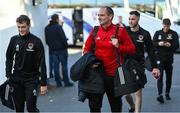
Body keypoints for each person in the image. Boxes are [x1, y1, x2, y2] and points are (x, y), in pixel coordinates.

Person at [83, 6, 136, 112]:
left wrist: (118, 47)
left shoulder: (120, 31)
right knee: (94, 106)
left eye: (102, 15)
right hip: (97, 75)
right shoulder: (95, 30)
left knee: (115, 106)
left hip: (115, 75)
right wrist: (90, 62)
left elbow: (132, 49)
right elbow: (86, 49)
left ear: (110, 16)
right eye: (98, 15)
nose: (99, 17)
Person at [5, 15, 48, 112]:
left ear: (29, 26)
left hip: (31, 80)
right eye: (19, 27)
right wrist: (8, 75)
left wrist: (43, 83)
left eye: (23, 27)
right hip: (16, 79)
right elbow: (9, 58)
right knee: (19, 109)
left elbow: (42, 63)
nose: (20, 29)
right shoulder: (14, 40)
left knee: (31, 108)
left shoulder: (36, 41)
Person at [124, 11, 160, 113]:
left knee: (137, 93)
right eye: (129, 19)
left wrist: (155, 67)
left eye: (133, 19)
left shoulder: (145, 34)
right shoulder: (124, 31)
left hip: (138, 66)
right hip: (122, 66)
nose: (130, 21)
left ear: (138, 19)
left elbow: (151, 52)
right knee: (125, 93)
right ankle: (132, 107)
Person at [153, 18, 179, 103]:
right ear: (162, 25)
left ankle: (167, 93)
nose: (166, 28)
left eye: (167, 26)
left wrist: (170, 45)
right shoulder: (158, 33)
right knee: (159, 77)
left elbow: (177, 45)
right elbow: (152, 44)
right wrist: (158, 43)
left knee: (169, 77)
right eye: (164, 26)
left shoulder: (173, 33)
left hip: (169, 59)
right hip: (159, 59)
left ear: (170, 25)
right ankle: (160, 94)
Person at [45, 14, 73, 87]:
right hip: (62, 50)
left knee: (56, 67)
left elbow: (47, 40)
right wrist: (66, 46)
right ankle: (66, 83)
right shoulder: (58, 27)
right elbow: (63, 38)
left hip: (53, 51)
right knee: (64, 67)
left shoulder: (47, 28)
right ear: (57, 19)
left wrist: (51, 46)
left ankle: (58, 83)